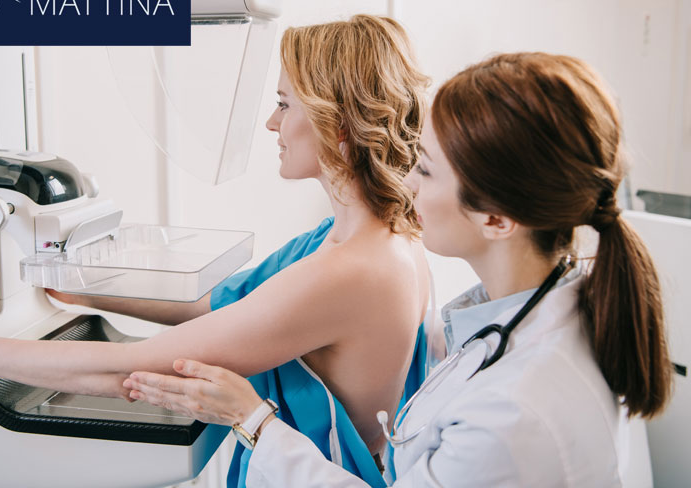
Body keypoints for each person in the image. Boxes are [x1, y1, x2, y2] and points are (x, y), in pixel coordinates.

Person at [0, 15, 432, 487]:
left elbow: (125, 370)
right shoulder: (364, 237)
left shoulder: (354, 270)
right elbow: (221, 307)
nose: (271, 123)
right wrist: (83, 286)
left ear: (335, 123)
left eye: (284, 104)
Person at [121, 52, 674, 487]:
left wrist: (254, 420)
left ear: (497, 219)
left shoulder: (512, 413)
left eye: (427, 171)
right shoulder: (549, 308)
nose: (406, 183)